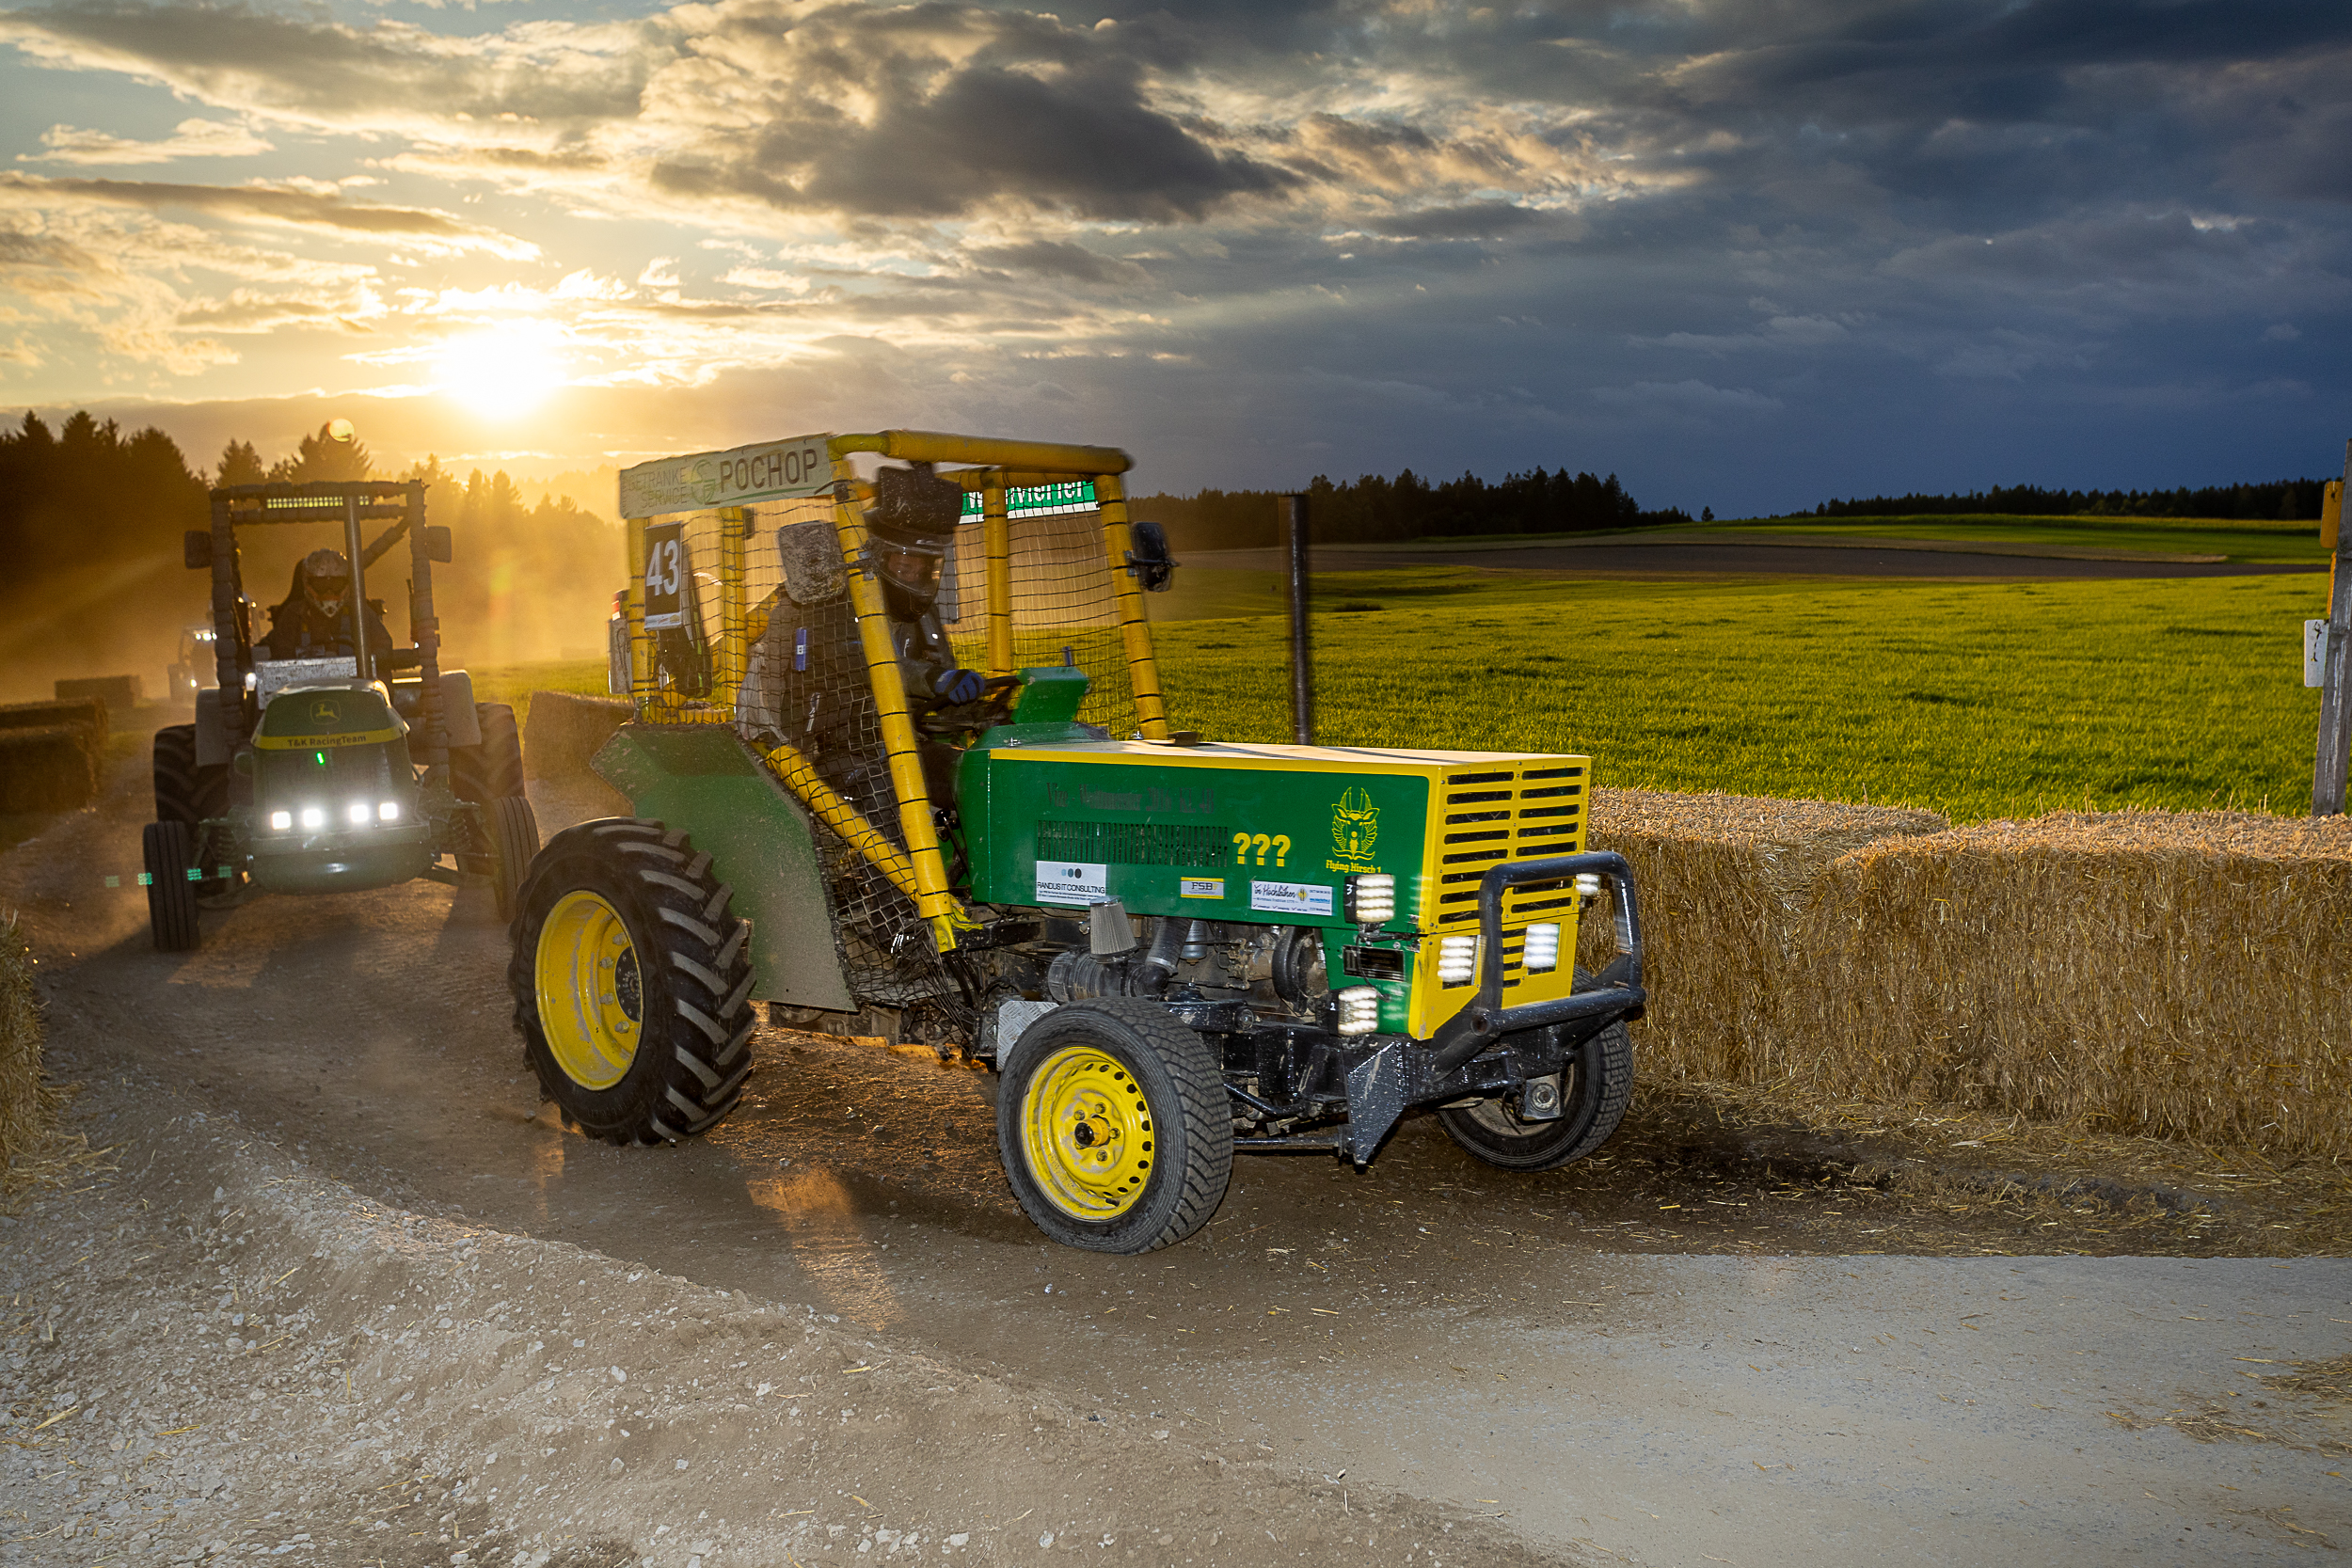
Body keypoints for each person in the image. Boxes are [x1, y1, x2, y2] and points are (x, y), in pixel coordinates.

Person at [263, 547, 393, 670]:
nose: (329, 591)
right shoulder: (294, 614)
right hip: (306, 685)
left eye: (336, 584)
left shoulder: (360, 612)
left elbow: (383, 646)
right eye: (321, 584)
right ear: (307, 583)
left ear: (346, 583)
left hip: (356, 685)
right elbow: (280, 655)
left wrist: (377, 658)